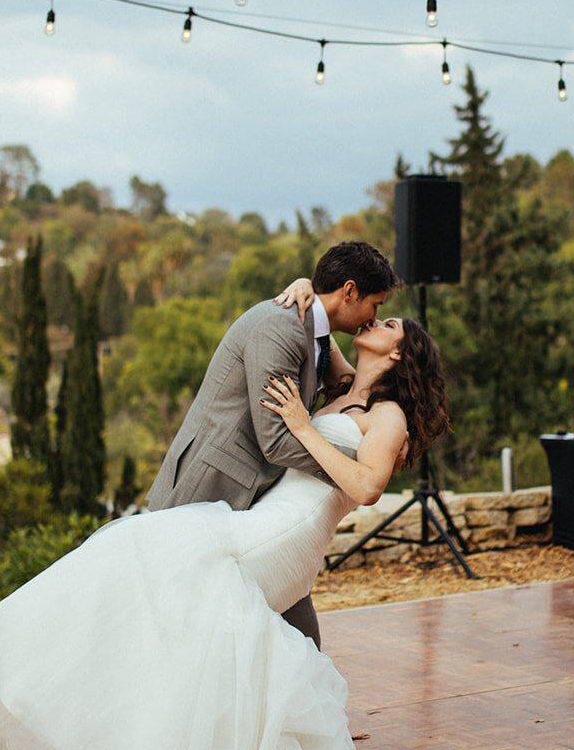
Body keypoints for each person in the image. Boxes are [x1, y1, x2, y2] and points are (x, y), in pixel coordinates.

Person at [0, 308, 448, 750]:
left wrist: (300, 424)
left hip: (283, 536)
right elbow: (320, 325)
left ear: (401, 353)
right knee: (164, 605)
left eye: (389, 323)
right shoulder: (351, 387)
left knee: (142, 559)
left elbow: (368, 485)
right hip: (267, 523)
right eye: (375, 310)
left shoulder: (389, 415)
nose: (376, 319)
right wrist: (300, 293)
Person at [148, 240, 397, 648]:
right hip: (211, 489)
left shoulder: (314, 331)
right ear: (350, 291)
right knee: (175, 626)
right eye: (375, 305)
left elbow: (353, 388)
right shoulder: (279, 327)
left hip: (261, 508)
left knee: (294, 637)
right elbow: (276, 441)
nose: (375, 317)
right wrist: (351, 474)